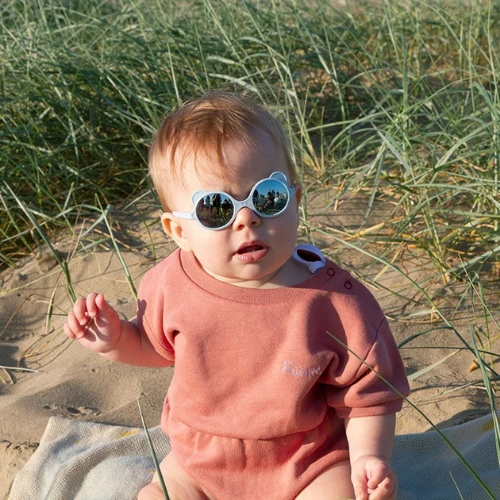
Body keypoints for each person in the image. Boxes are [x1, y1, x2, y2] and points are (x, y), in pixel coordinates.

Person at [64, 91, 410, 500]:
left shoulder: (333, 301)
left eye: (268, 197)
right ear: (179, 231)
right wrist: (115, 339)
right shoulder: (172, 284)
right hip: (198, 462)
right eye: (216, 209)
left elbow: (367, 396)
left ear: (295, 201)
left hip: (305, 462)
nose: (247, 218)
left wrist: (369, 457)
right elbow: (153, 346)